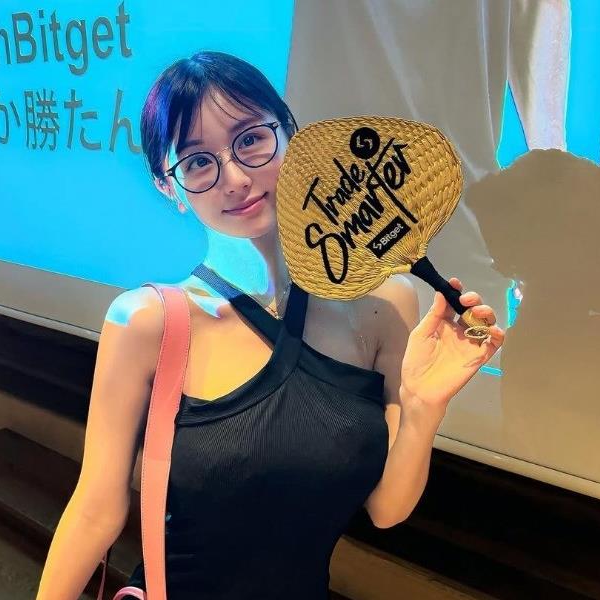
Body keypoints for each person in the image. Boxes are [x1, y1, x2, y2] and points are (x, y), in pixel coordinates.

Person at [36, 51, 504, 600]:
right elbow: (95, 510)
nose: (235, 178)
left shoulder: (385, 304)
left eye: (251, 139)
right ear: (169, 186)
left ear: (290, 133)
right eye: (197, 162)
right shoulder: (147, 322)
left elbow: (386, 509)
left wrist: (424, 407)